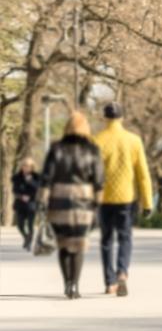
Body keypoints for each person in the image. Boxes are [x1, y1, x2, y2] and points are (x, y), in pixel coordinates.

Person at [41, 111, 104, 299]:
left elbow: (46, 177)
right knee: (79, 243)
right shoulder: (92, 149)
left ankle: (66, 283)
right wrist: (98, 204)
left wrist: (42, 201)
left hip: (58, 199)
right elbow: (99, 180)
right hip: (83, 200)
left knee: (63, 243)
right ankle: (75, 285)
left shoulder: (56, 148)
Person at [93, 102, 153, 297]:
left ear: (105, 118)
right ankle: (122, 273)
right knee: (125, 237)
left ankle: (110, 283)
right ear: (121, 118)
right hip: (127, 198)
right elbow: (143, 174)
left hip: (104, 198)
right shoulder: (133, 141)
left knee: (106, 240)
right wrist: (147, 202)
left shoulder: (97, 140)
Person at [11, 157, 40, 250]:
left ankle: (29, 243)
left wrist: (30, 181)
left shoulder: (36, 177)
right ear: (22, 166)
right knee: (20, 225)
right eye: (24, 166)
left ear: (32, 167)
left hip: (32, 204)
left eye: (29, 166)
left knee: (30, 225)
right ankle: (26, 238)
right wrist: (21, 196)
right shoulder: (17, 177)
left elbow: (38, 189)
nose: (26, 168)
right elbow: (14, 190)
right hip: (20, 204)